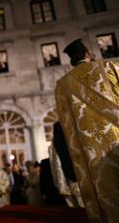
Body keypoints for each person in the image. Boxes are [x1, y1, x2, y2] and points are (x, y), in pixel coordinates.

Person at [56, 38, 119, 222]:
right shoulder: (109, 67)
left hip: (92, 153)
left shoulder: (63, 85)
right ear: (88, 55)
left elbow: (68, 129)